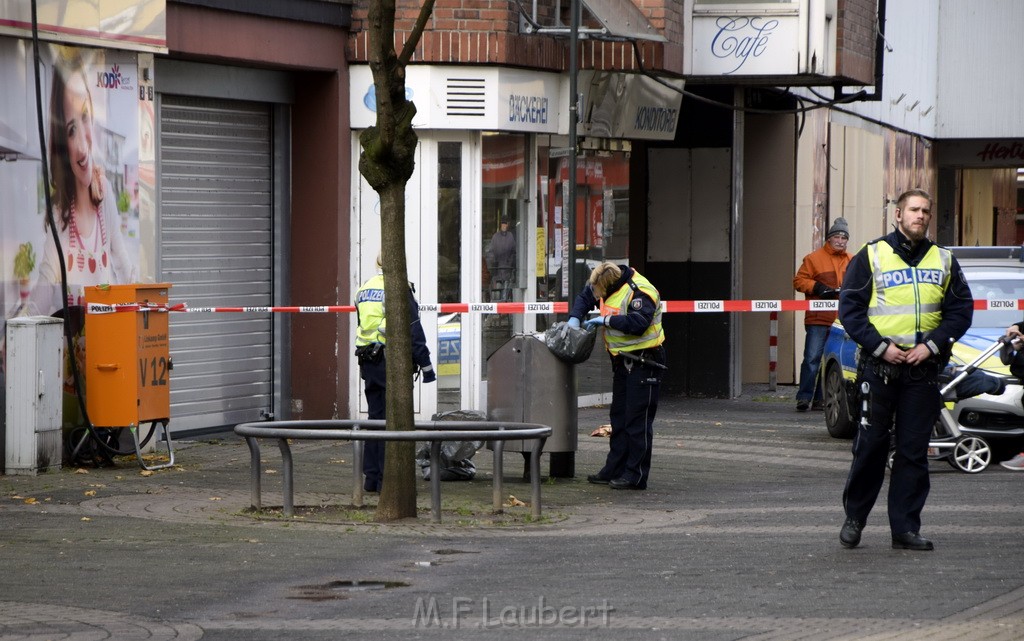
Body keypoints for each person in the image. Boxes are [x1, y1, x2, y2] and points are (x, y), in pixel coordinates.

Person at [837, 188, 973, 551]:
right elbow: (850, 309)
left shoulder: (944, 260)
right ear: (898, 215)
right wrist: (882, 347)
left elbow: (960, 311)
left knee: (913, 453)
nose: (921, 216)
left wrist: (931, 345)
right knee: (871, 448)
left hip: (922, 372)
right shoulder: (872, 255)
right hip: (879, 369)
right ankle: (855, 519)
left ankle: (905, 529)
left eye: (926, 211)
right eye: (914, 210)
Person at [30, 52, 139, 315]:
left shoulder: (105, 197)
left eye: (85, 116)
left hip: (105, 347)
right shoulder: (61, 215)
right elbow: (45, 284)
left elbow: (124, 267)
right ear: (61, 144)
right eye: (70, 130)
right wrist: (16, 330)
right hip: (73, 353)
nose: (81, 145)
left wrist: (145, 303)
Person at [568, 262, 665, 490]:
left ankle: (635, 475)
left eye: (598, 290)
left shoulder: (641, 291)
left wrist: (606, 321)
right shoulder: (605, 281)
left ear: (609, 284)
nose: (596, 295)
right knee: (619, 417)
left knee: (637, 420)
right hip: (622, 361)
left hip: (646, 360)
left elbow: (640, 323)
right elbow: (585, 296)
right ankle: (615, 468)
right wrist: (575, 317)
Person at [354, 253, 436, 493]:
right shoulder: (398, 288)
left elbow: (363, 322)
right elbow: (412, 329)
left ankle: (372, 478)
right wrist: (427, 367)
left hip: (367, 359)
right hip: (389, 361)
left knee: (375, 418)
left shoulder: (364, 288)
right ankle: (386, 481)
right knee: (393, 421)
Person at [793, 218, 852, 412]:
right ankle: (804, 397)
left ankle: (820, 400)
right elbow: (799, 281)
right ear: (829, 238)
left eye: (844, 237)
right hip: (818, 318)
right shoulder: (813, 259)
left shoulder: (852, 260)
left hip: (840, 320)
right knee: (812, 359)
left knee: (830, 361)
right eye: (837, 236)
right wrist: (817, 286)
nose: (841, 241)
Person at [485, 216, 516, 302]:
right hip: (497, 271)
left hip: (507, 270)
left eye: (505, 223)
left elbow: (514, 252)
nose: (504, 225)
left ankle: (504, 309)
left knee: (505, 294)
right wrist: (493, 265)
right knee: (496, 294)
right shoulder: (495, 237)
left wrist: (510, 264)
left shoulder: (510, 236)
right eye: (502, 223)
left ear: (508, 225)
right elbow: (490, 252)